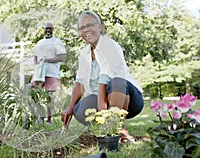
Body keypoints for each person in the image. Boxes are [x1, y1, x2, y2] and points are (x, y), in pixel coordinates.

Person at [61, 11, 144, 141]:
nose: (86, 30)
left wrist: (103, 114)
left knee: (116, 82)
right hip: (102, 99)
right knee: (79, 109)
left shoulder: (108, 45)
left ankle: (117, 128)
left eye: (90, 25)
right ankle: (104, 128)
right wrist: (69, 108)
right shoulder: (84, 53)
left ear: (100, 27)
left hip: (129, 98)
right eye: (82, 27)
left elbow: (104, 80)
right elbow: (80, 83)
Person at [32, 22, 66, 124]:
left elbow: (61, 57)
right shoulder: (39, 43)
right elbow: (35, 57)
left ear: (53, 30)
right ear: (43, 29)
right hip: (39, 73)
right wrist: (37, 64)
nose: (48, 30)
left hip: (51, 73)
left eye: (50, 28)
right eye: (47, 28)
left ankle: (49, 120)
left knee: (49, 96)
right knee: (32, 92)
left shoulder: (57, 42)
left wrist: (48, 60)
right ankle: (40, 116)